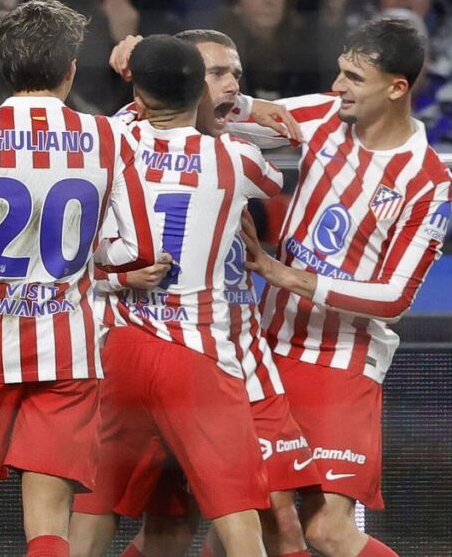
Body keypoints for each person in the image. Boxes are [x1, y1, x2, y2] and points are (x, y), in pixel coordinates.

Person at [0, 0, 160, 557]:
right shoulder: (110, 137)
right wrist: (90, 260)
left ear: (6, 65)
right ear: (71, 68)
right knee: (48, 520)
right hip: (68, 353)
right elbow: (141, 248)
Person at [70, 29, 317, 557]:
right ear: (195, 88)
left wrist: (140, 72)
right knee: (239, 520)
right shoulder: (236, 157)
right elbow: (278, 171)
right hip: (199, 352)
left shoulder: (114, 140)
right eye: (217, 75)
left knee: (96, 515)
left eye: (236, 76)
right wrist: (243, 112)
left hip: (124, 347)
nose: (231, 86)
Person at [234, 18, 452, 557]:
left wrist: (287, 275)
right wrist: (156, 62)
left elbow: (395, 298)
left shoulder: (428, 182)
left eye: (354, 78)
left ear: (397, 88)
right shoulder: (322, 115)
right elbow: (231, 112)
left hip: (342, 361)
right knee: (254, 520)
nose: (338, 87)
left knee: (327, 531)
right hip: (266, 350)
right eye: (339, 72)